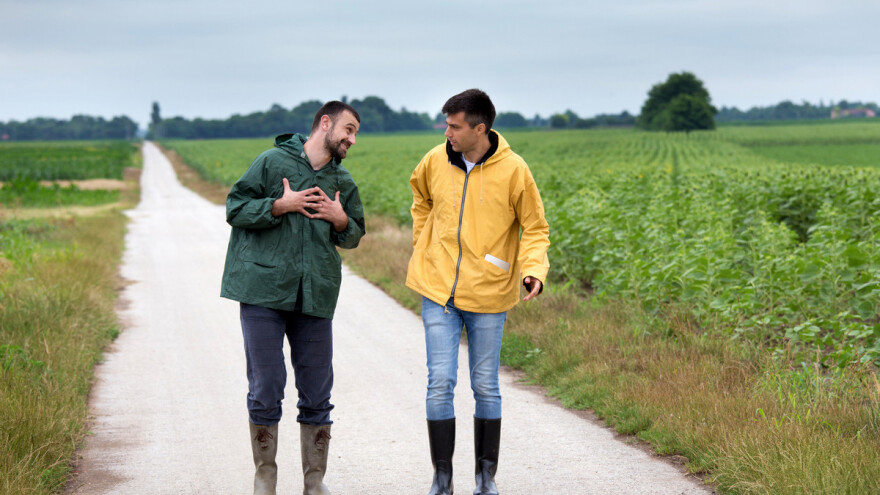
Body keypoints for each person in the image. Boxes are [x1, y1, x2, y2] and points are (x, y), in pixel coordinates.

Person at [406, 89, 550, 495]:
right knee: (440, 382)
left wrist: (534, 270)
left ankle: (485, 478)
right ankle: (442, 478)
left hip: (489, 292)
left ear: (479, 129)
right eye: (446, 125)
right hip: (437, 289)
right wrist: (424, 241)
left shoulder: (515, 170)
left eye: (454, 126)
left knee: (485, 385)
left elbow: (535, 228)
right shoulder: (435, 160)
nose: (446, 132)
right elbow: (421, 196)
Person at [220, 101, 365, 495]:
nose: (352, 139)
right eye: (348, 130)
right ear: (325, 123)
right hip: (263, 292)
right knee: (266, 385)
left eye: (355, 133)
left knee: (318, 390)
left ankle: (314, 482)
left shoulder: (343, 181)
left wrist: (340, 219)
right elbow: (235, 207)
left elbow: (353, 234)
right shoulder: (271, 163)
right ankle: (265, 477)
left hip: (315, 292)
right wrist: (278, 206)